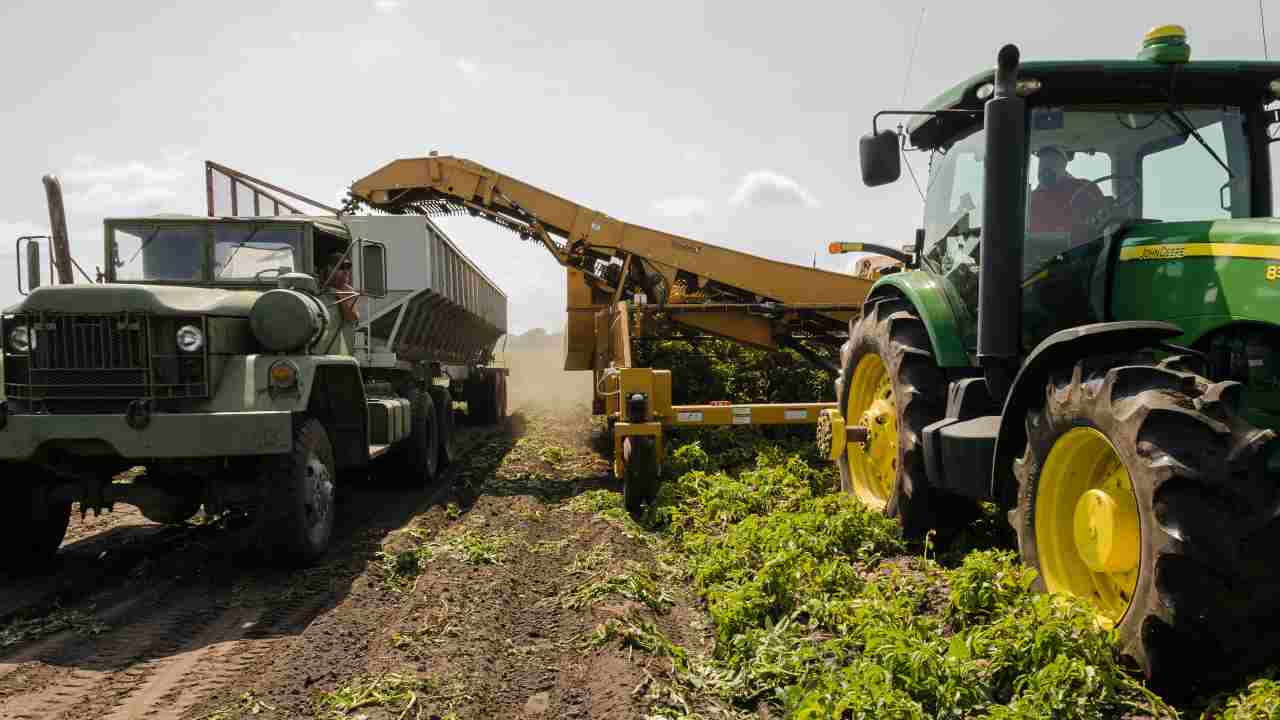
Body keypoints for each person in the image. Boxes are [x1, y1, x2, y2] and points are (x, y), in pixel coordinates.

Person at [1028, 145, 1106, 247]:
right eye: (1042, 163)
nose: (1045, 169)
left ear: (1063, 165)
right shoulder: (1030, 199)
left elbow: (1103, 221)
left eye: (1052, 162)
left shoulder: (1084, 187)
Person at [320, 251, 359, 323]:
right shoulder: (316, 286)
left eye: (348, 268)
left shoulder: (348, 291)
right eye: (341, 267)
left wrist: (339, 294)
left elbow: (353, 317)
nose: (346, 271)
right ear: (329, 269)